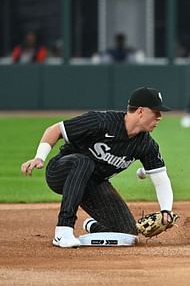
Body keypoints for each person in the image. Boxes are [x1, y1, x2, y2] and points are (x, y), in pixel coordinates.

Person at [20, 87, 176, 248]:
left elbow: (161, 180)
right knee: (84, 162)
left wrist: (166, 211)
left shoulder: (146, 145)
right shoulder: (102, 121)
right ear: (141, 111)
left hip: (93, 185)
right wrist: (39, 157)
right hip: (62, 172)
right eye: (156, 112)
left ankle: (92, 225)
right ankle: (63, 231)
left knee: (128, 233)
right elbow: (56, 129)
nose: (160, 117)